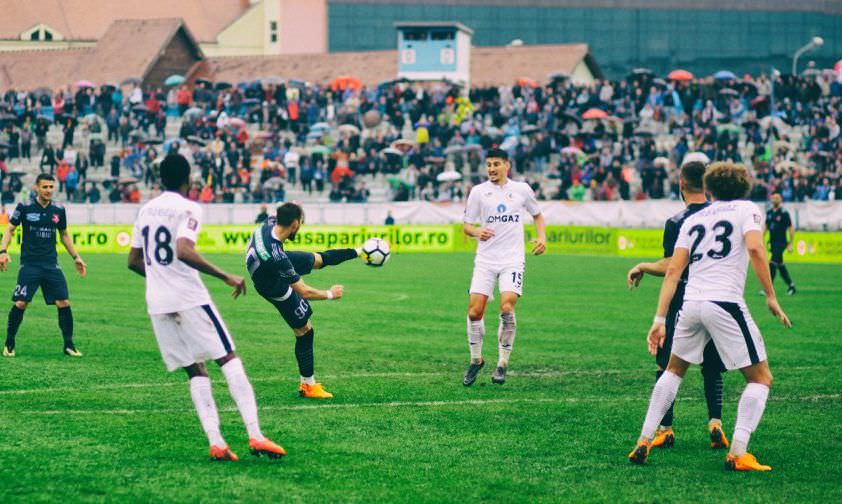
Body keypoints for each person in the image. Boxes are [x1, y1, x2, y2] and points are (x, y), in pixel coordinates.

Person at [628, 162, 792, 471]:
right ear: (744, 186)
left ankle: (645, 438)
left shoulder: (695, 218)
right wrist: (771, 296)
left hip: (690, 304)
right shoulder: (747, 209)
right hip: (724, 301)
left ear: (710, 188)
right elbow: (756, 249)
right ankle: (739, 452)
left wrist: (659, 319)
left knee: (673, 371)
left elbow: (674, 271)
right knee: (760, 378)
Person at [127, 154, 285, 461]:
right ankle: (255, 435)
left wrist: (162, 276)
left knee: (195, 371)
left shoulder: (146, 210)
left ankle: (216, 441)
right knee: (227, 358)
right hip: (188, 298)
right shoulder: (188, 207)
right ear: (189, 178)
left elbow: (133, 261)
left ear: (161, 178)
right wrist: (225, 275)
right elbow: (183, 249)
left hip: (157, 303)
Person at [626, 156, 728, 450]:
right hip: (717, 298)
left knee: (667, 365)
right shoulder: (722, 217)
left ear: (681, 183)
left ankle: (666, 429)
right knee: (712, 366)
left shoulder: (677, 222)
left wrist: (644, 265)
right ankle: (715, 423)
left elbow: (673, 266)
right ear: (707, 184)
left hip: (684, 300)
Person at [246, 203, 359, 399]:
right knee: (304, 330)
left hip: (264, 266)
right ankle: (308, 385)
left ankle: (358, 251)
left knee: (317, 260)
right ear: (295, 224)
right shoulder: (276, 256)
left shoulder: (270, 222)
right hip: (272, 285)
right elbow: (305, 292)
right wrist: (330, 294)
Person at [461, 148, 546, 386]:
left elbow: (538, 215)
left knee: (506, 307)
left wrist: (542, 238)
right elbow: (467, 226)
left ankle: (502, 363)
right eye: (488, 164)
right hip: (485, 260)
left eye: (496, 164)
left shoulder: (521, 190)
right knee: (474, 312)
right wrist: (477, 231)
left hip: (512, 260)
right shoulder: (479, 192)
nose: (491, 169)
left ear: (507, 165)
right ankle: (476, 360)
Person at [0, 174, 86, 357]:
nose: (48, 190)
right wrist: (3, 251)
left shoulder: (59, 209)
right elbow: (10, 230)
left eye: (51, 187)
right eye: (45, 187)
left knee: (64, 302)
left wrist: (76, 257)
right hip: (30, 264)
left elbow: (64, 235)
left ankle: (69, 345)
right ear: (36, 188)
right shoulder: (24, 207)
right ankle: (9, 343)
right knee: (22, 302)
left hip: (51, 264)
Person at [764, 193, 796, 295]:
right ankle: (791, 286)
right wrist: (760, 238)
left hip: (781, 243)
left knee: (772, 263)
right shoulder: (769, 212)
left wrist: (790, 243)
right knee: (780, 265)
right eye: (773, 198)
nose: (774, 200)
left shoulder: (784, 213)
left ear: (780, 200)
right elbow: (766, 227)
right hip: (772, 243)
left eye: (777, 198)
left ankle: (769, 289)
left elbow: (791, 228)